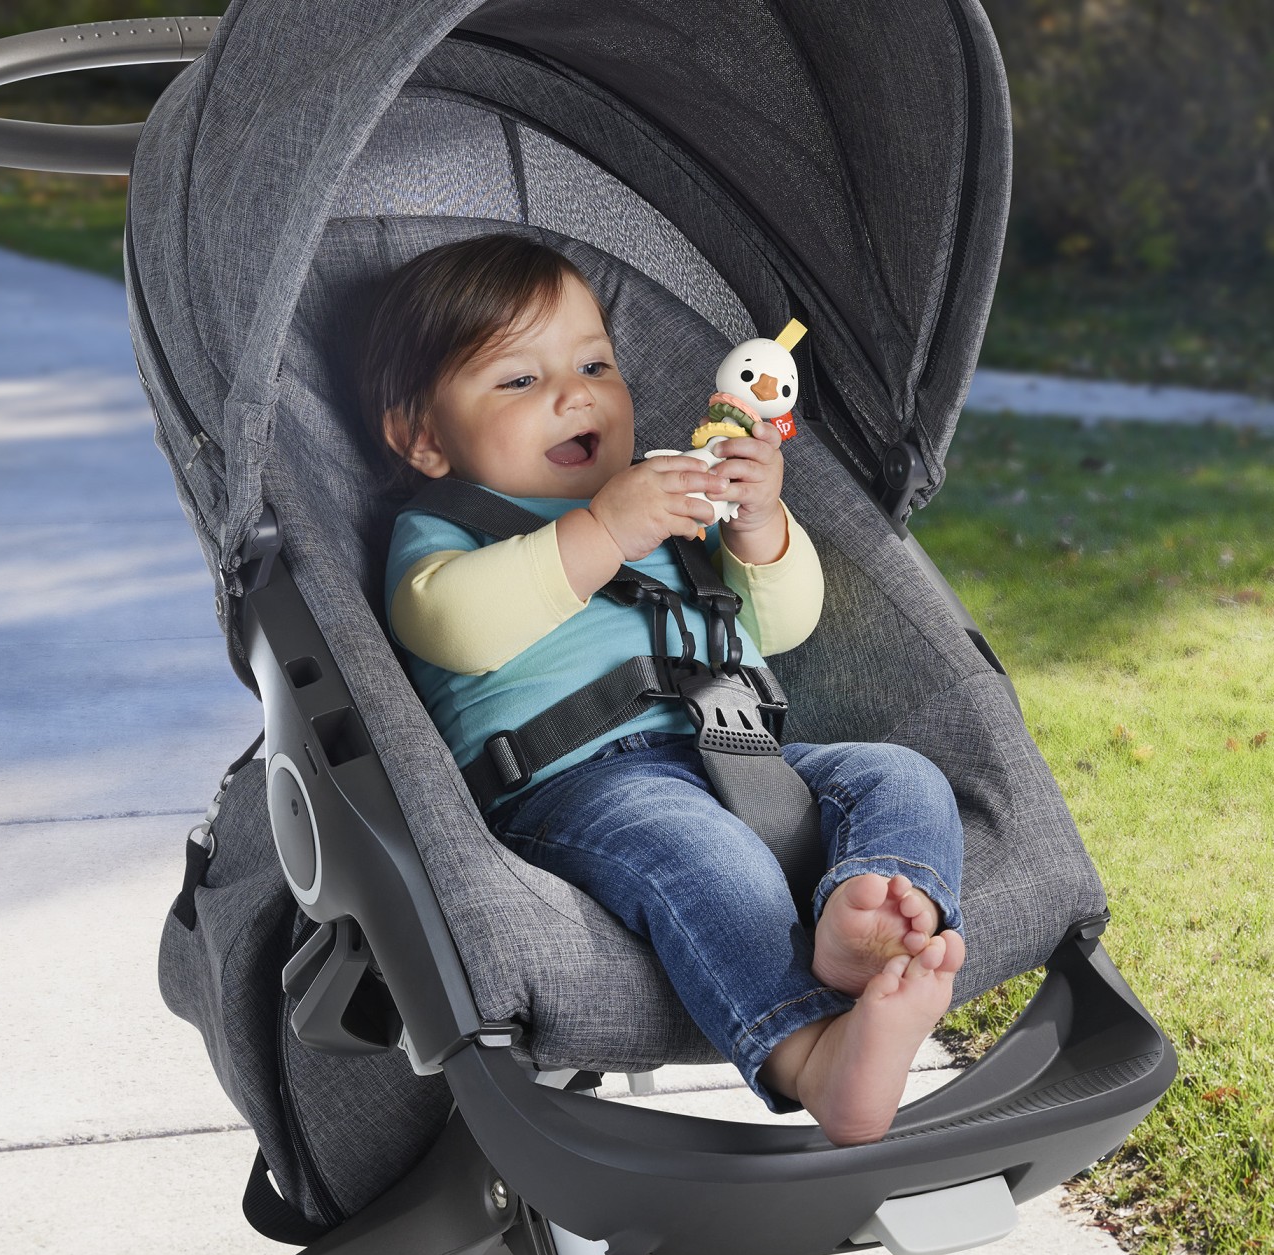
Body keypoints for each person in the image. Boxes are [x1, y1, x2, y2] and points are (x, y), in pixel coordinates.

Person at [360, 233, 966, 1145]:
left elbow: (780, 624)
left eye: (595, 365)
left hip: (745, 757)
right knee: (707, 859)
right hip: (579, 786)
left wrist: (758, 524)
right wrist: (603, 531)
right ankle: (809, 1053)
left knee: (902, 776)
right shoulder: (446, 527)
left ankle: (870, 914)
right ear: (422, 438)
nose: (576, 395)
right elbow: (453, 626)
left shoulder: (667, 505)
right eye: (520, 380)